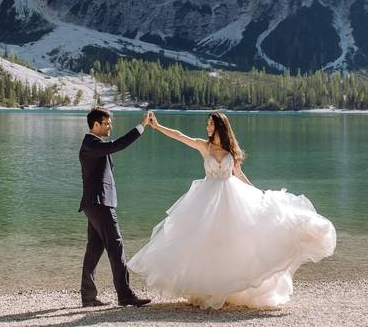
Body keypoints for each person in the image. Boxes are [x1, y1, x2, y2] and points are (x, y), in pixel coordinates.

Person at [128, 110, 337, 309]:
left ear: (220, 126)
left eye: (210, 124)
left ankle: (229, 290)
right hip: (206, 201)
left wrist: (259, 193)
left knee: (234, 243)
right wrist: (157, 126)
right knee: (205, 243)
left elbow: (238, 174)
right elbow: (180, 136)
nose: (207, 127)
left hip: (232, 198)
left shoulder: (230, 151)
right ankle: (207, 290)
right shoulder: (204, 146)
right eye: (207, 124)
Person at [78, 106, 153, 308]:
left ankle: (88, 296)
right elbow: (118, 145)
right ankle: (125, 295)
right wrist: (141, 126)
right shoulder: (91, 144)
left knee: (94, 249)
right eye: (107, 122)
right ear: (95, 125)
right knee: (116, 246)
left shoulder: (94, 144)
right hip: (100, 203)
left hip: (94, 203)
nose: (110, 125)